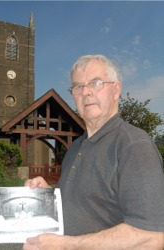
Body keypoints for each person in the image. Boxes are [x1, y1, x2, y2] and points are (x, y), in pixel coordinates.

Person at [23, 55, 164, 250]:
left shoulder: (133, 145)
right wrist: (49, 193)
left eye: (95, 83)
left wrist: (66, 245)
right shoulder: (76, 147)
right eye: (78, 86)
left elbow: (152, 238)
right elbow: (88, 201)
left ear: (116, 90)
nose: (86, 92)